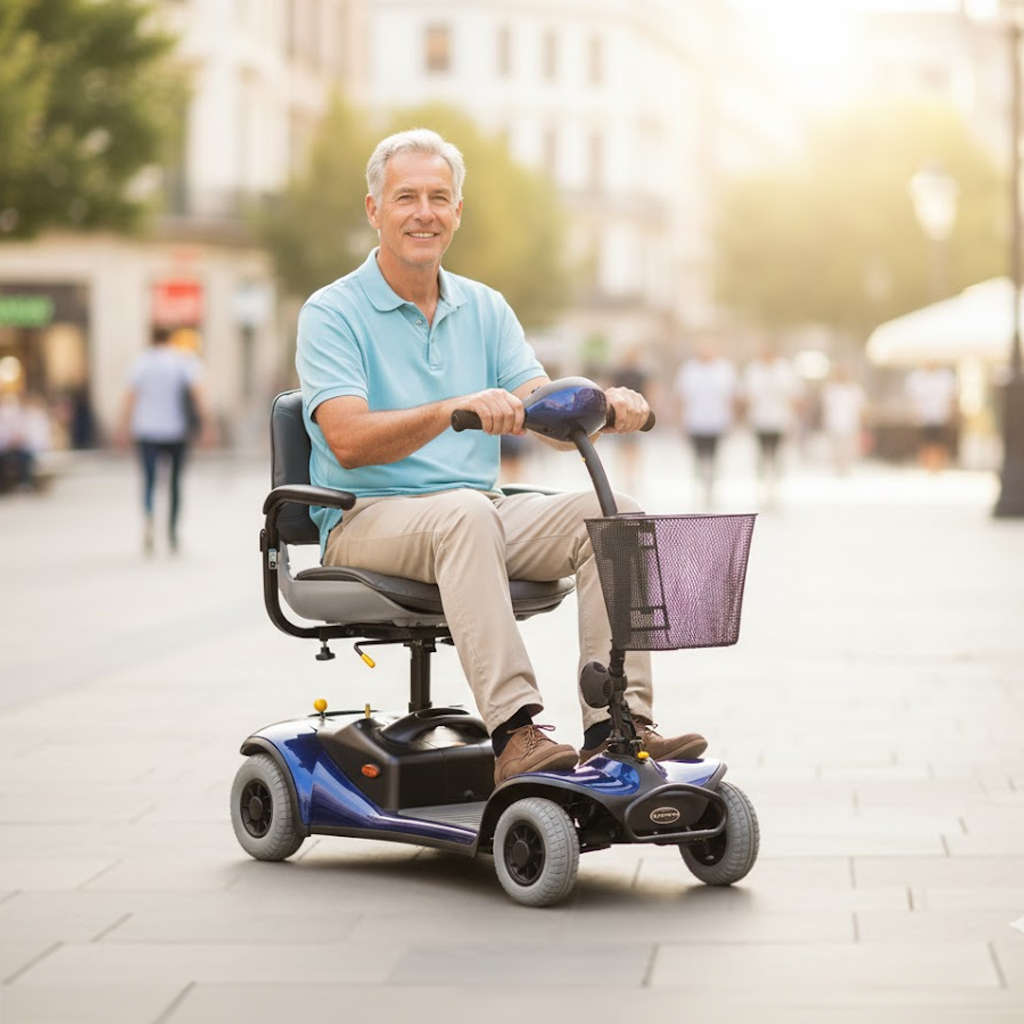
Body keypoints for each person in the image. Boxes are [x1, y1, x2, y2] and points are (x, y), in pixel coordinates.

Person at [296, 128, 707, 786]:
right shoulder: (333, 311)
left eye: (439, 197)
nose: (423, 212)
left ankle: (616, 726)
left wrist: (604, 404)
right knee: (465, 512)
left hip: (474, 516)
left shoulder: (485, 307)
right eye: (406, 197)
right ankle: (515, 731)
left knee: (616, 514)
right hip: (365, 517)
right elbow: (345, 437)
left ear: (458, 211)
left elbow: (539, 403)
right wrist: (450, 409)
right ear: (374, 209)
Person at [116, 326, 212, 553]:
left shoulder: (140, 362)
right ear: (171, 338)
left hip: (146, 430)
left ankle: (149, 519)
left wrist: (122, 427)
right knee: (175, 483)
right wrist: (208, 426)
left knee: (149, 481)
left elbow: (130, 397)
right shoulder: (184, 361)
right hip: (177, 431)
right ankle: (172, 532)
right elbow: (198, 395)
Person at [672, 338, 738, 506]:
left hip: (717, 420)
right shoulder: (689, 369)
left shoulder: (724, 369)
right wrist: (679, 421)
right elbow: (681, 397)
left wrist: (733, 419)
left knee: (714, 458)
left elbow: (731, 397)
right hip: (695, 421)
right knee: (698, 458)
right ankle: (700, 488)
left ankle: (712, 489)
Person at [740, 343, 803, 507]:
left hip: (780, 420)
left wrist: (794, 420)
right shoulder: (753, 370)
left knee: (777, 457)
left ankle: (775, 490)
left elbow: (795, 396)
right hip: (759, 420)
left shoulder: (785, 370)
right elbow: (746, 396)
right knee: (762, 457)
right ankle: (762, 489)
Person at [904, 361, 957, 472]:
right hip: (924, 417)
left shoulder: (946, 377)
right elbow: (911, 399)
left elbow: (952, 398)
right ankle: (927, 465)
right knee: (925, 443)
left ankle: (938, 465)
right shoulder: (916, 378)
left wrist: (952, 413)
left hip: (941, 416)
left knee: (940, 442)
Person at [820, 364, 866, 476]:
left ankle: (846, 468)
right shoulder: (830, 389)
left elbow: (861, 406)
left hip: (850, 422)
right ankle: (837, 468)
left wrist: (863, 419)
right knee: (835, 447)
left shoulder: (855, 389)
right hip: (834, 422)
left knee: (848, 447)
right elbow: (825, 406)